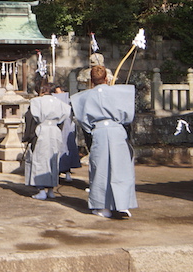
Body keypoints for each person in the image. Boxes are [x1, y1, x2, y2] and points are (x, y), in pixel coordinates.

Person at [70, 65, 137, 218]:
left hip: (99, 131)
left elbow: (84, 122)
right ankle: (122, 204)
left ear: (91, 81)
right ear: (107, 78)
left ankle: (103, 207)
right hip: (117, 130)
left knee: (100, 169)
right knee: (121, 167)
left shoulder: (85, 96)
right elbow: (128, 115)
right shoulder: (118, 91)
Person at [23, 81, 72, 200]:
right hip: (55, 131)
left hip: (42, 131)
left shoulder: (36, 102)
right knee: (53, 160)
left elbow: (30, 119)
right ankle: (51, 189)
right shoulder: (59, 103)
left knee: (40, 160)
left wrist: (28, 136)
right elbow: (64, 118)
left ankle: (41, 190)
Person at [53, 85, 81, 181]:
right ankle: (57, 172)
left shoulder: (69, 101)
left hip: (68, 128)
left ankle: (68, 172)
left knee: (67, 150)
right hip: (57, 128)